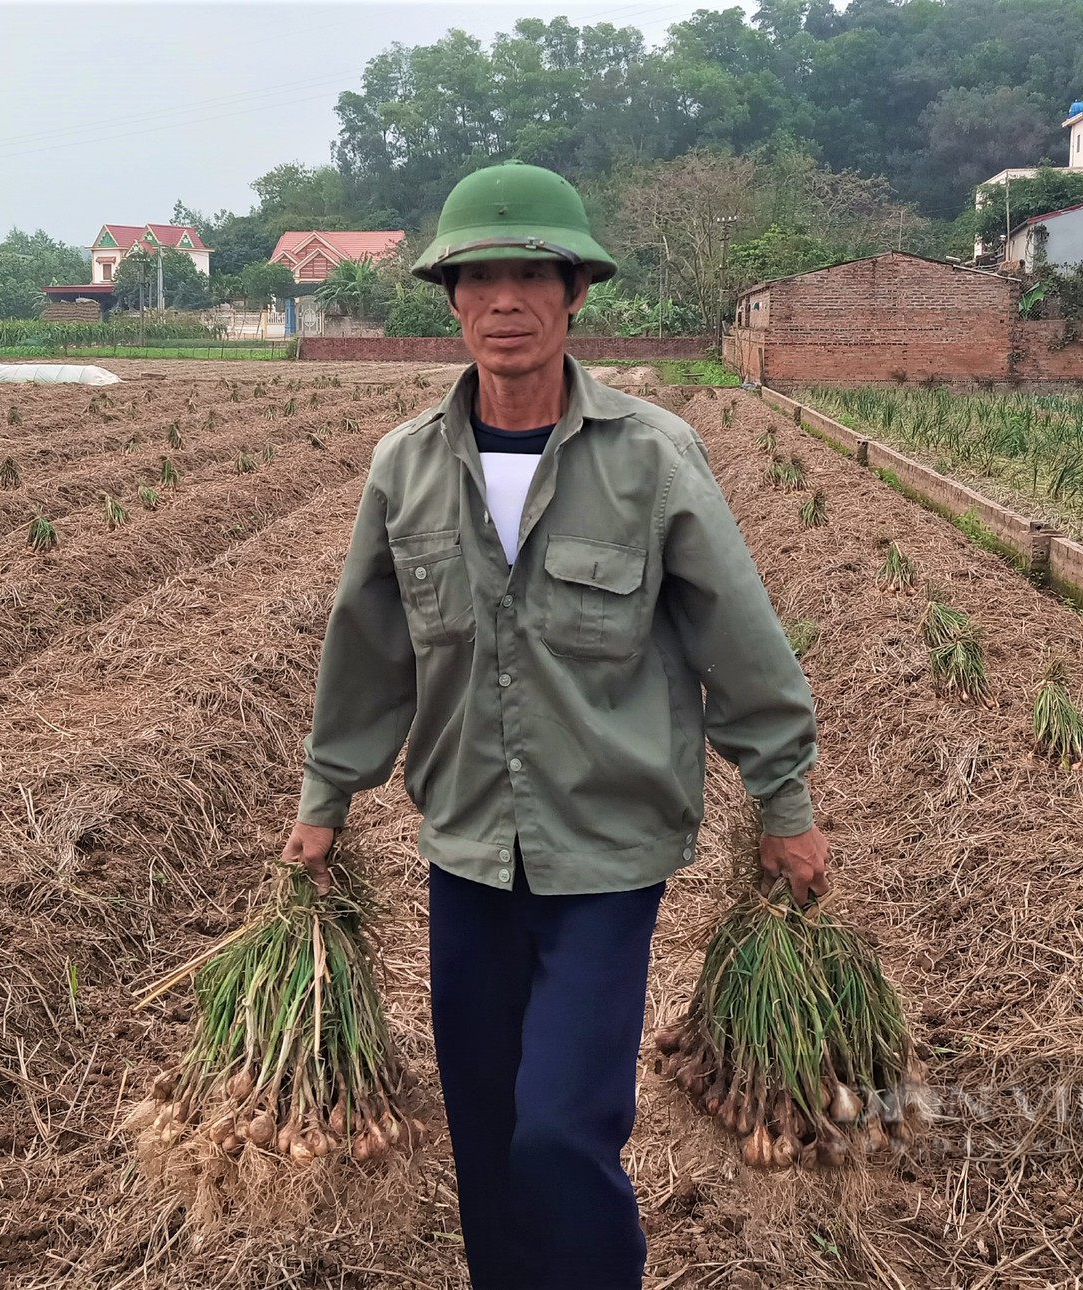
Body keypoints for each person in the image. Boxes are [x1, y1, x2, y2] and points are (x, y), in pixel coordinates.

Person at [282, 161, 826, 1290]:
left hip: (606, 851)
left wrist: (785, 803)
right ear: (450, 298)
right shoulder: (406, 466)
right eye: (480, 276)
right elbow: (368, 649)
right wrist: (323, 803)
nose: (506, 300)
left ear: (575, 293)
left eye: (532, 273)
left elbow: (738, 634)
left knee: (558, 1131)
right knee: (484, 1139)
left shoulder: (648, 455)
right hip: (467, 847)